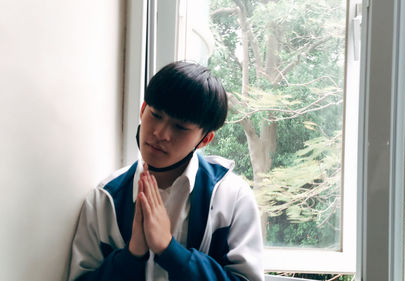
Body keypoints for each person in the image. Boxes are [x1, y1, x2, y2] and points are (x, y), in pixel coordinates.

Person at [68, 61, 264, 281]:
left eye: (180, 127)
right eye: (156, 115)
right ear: (143, 110)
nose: (160, 133)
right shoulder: (104, 199)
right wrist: (132, 256)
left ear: (204, 139)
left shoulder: (232, 198)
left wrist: (170, 251)